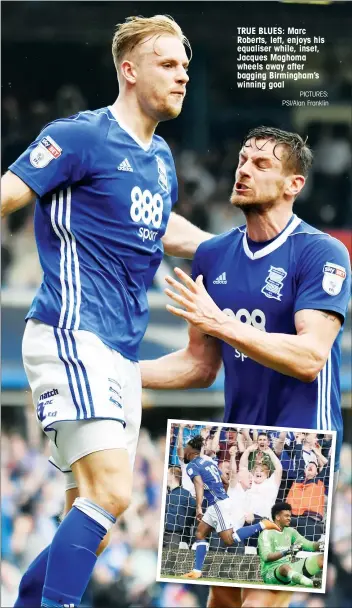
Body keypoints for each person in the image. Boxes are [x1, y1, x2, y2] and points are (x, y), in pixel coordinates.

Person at [1, 14, 216, 608]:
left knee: (87, 518)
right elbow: (8, 194)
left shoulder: (163, 160)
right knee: (116, 492)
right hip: (73, 331)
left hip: (117, 350)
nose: (182, 78)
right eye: (168, 65)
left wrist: (220, 247)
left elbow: (160, 223)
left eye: (186, 68)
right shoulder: (79, 136)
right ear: (129, 70)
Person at [140, 126, 351, 607]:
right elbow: (199, 365)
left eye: (262, 164)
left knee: (262, 600)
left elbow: (310, 356)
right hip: (234, 446)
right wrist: (115, 375)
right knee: (225, 603)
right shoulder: (214, 256)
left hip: (302, 446)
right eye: (241, 160)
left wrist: (222, 322)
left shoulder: (321, 253)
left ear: (293, 184)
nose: (244, 170)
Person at [181, 436, 280, 579]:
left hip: (217, 504)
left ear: (191, 451)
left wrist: (198, 507)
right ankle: (196, 571)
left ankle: (262, 524)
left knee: (228, 540)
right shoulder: (209, 462)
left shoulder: (192, 465)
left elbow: (198, 484)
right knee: (200, 534)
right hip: (219, 503)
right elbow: (225, 480)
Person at [258, 502, 325, 588]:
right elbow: (266, 557)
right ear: (277, 517)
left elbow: (309, 545)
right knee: (284, 567)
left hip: (291, 572)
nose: (289, 518)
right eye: (286, 516)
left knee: (322, 558)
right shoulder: (266, 533)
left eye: (290, 516)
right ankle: (311, 584)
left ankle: (301, 579)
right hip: (271, 574)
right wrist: (288, 551)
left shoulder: (291, 531)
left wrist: (323, 546)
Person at [240, 444, 282, 521]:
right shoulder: (249, 481)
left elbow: (279, 469)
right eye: (256, 471)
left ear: (267, 474)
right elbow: (243, 467)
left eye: (262, 471)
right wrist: (248, 451)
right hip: (245, 518)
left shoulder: (271, 483)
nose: (258, 472)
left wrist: (270, 453)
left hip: (264, 519)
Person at [287, 461, 327, 541]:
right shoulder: (297, 479)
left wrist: (320, 453)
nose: (311, 465)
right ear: (304, 471)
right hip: (291, 518)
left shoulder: (320, 481)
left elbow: (329, 465)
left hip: (310, 520)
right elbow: (299, 457)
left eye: (314, 466)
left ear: (317, 473)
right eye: (308, 465)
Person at [164, 466, 195, 549]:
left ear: (171, 476)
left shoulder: (179, 495)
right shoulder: (186, 494)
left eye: (167, 474)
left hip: (175, 538)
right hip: (180, 538)